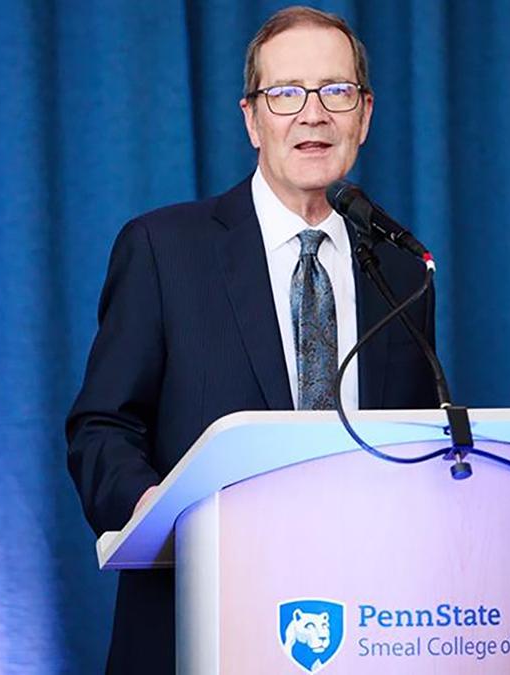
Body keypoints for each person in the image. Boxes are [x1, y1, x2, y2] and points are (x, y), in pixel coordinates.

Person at [66, 6, 437, 673]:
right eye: (286, 93)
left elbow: (419, 440)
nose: (313, 113)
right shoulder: (163, 249)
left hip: (369, 623)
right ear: (251, 119)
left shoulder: (401, 267)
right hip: (199, 619)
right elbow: (101, 427)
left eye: (337, 91)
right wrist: (153, 507)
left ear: (365, 115)